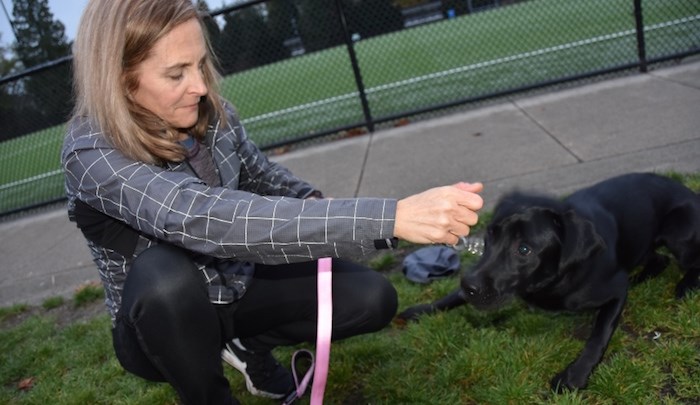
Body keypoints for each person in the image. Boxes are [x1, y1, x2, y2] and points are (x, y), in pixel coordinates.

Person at [61, 0, 484, 404]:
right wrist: (390, 217)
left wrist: (313, 200)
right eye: (176, 74)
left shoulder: (213, 113)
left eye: (200, 65)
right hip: (162, 323)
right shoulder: (91, 153)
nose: (201, 86)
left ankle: (247, 347)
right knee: (164, 277)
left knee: (372, 298)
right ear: (120, 78)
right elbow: (199, 217)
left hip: (238, 288)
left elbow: (263, 178)